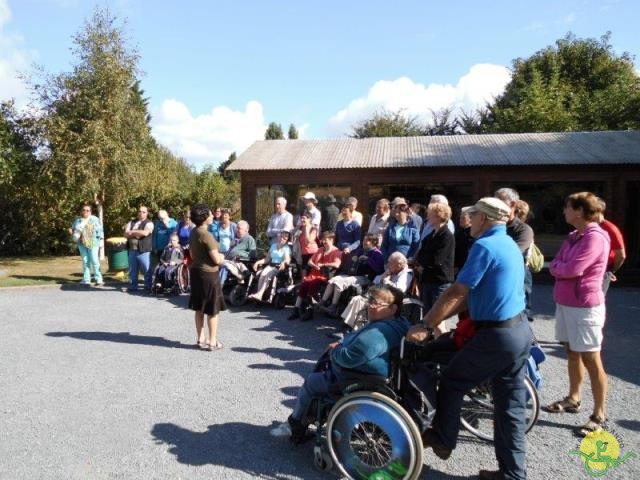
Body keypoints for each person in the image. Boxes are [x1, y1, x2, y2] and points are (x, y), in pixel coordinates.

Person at [406, 197, 531, 480]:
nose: (469, 221)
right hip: (518, 332)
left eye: (472, 216)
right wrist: (436, 319)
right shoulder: (508, 243)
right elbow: (470, 295)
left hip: (497, 335)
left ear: (484, 219)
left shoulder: (485, 245)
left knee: (452, 380)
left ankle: (442, 438)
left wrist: (426, 324)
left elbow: (457, 291)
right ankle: (512, 475)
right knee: (509, 407)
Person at [271, 285, 410, 444]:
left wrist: (335, 351)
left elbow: (348, 357)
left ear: (393, 308)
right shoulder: (400, 323)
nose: (369, 305)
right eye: (369, 300)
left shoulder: (378, 334)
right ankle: (305, 418)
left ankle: (296, 424)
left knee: (312, 381)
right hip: (375, 375)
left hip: (355, 380)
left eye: (375, 302)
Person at [544, 192, 610, 438]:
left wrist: (558, 268)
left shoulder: (596, 238)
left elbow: (572, 268)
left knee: (592, 358)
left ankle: (599, 413)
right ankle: (574, 397)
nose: (564, 211)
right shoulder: (574, 236)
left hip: (584, 305)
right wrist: (559, 268)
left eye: (568, 207)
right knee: (572, 352)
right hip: (566, 303)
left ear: (580, 211)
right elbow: (559, 264)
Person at [341, 251, 413, 331]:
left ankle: (353, 329)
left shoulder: (406, 274)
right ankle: (349, 327)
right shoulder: (393, 271)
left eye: (390, 263)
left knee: (361, 302)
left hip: (390, 301)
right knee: (356, 299)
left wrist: (386, 281)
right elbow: (376, 280)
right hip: (382, 296)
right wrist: (383, 276)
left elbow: (400, 290)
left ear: (398, 265)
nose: (388, 265)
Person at [188, 203, 226, 351]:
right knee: (212, 309)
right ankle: (212, 341)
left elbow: (191, 254)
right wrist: (222, 257)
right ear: (204, 217)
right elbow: (217, 259)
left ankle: (200, 339)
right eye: (210, 214)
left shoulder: (193, 232)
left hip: (196, 272)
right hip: (209, 274)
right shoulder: (207, 235)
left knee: (198, 307)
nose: (212, 216)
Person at [318, 233, 384, 317]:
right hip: (353, 275)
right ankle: (322, 302)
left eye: (367, 240)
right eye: (364, 240)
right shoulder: (361, 250)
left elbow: (379, 270)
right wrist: (354, 259)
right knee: (333, 280)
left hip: (366, 278)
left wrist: (369, 260)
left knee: (341, 282)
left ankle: (333, 306)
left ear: (373, 242)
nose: (364, 242)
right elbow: (353, 261)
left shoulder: (377, 254)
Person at [495, 188, 535, 322]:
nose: (496, 206)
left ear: (512, 205)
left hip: (517, 276)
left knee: (519, 315)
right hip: (495, 277)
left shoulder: (523, 230)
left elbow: (512, 254)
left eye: (500, 202)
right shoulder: (492, 226)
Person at [288, 231, 342, 321]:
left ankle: (310, 311)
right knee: (304, 285)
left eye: (326, 240)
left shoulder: (336, 251)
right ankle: (296, 310)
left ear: (332, 240)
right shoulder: (320, 249)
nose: (323, 242)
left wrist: (323, 265)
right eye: (323, 240)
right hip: (314, 274)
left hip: (324, 276)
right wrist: (315, 265)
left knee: (313, 285)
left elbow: (337, 264)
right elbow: (309, 261)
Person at [415, 203, 455, 312]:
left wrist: (424, 263)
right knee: (428, 315)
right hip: (428, 279)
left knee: (437, 318)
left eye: (430, 215)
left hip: (440, 281)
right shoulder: (430, 235)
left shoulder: (447, 236)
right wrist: (422, 262)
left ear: (439, 216)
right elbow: (420, 254)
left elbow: (437, 260)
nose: (427, 218)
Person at [248, 231, 292, 302]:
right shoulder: (273, 246)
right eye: (281, 236)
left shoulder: (287, 248)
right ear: (278, 237)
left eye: (285, 238)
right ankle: (259, 294)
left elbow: (288, 259)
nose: (282, 239)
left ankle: (260, 294)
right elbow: (267, 259)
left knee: (268, 275)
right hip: (271, 265)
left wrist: (284, 262)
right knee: (262, 274)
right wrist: (257, 262)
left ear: (287, 240)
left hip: (279, 267)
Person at [69, 203, 104, 286]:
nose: (85, 211)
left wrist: (101, 241)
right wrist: (70, 231)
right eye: (84, 210)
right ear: (81, 211)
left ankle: (98, 278)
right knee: (85, 261)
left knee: (94, 260)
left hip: (93, 242)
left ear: (90, 211)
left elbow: (100, 230)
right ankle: (86, 279)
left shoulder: (95, 219)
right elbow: (72, 228)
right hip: (81, 243)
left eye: (87, 210)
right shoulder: (78, 220)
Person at [597, 199, 626, 295]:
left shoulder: (610, 229)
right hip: (587, 269)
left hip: (602, 269)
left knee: (596, 301)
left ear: (598, 210)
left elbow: (621, 255)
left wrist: (611, 270)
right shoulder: (587, 227)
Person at [124, 205, 155, 292]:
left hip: (144, 250)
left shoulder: (149, 223)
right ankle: (133, 286)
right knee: (132, 270)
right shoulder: (131, 222)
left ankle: (148, 286)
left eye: (143, 212)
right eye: (139, 211)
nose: (141, 213)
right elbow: (125, 234)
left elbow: (145, 233)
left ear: (147, 213)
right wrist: (135, 233)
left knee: (146, 269)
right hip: (132, 250)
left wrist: (132, 231)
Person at [219, 220, 257, 284]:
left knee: (224, 268)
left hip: (239, 262)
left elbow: (253, 255)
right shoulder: (235, 239)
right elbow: (228, 253)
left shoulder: (249, 239)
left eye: (239, 228)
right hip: (229, 260)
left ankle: (219, 287)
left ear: (246, 230)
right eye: (237, 228)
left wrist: (239, 254)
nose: (237, 230)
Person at [454, 206, 474, 274]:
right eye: (460, 217)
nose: (460, 220)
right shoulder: (459, 231)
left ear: (470, 219)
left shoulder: (473, 234)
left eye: (463, 218)